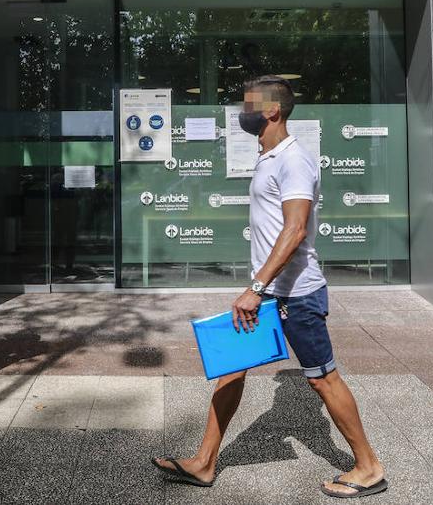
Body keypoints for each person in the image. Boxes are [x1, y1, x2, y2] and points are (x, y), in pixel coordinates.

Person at [153, 75, 388, 499]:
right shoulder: (270, 156)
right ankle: (204, 462)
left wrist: (256, 287)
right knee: (232, 366)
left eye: (248, 105)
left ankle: (369, 466)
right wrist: (260, 288)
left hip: (294, 294)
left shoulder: (293, 160)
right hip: (271, 291)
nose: (241, 112)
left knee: (322, 380)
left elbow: (296, 228)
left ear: (272, 110)